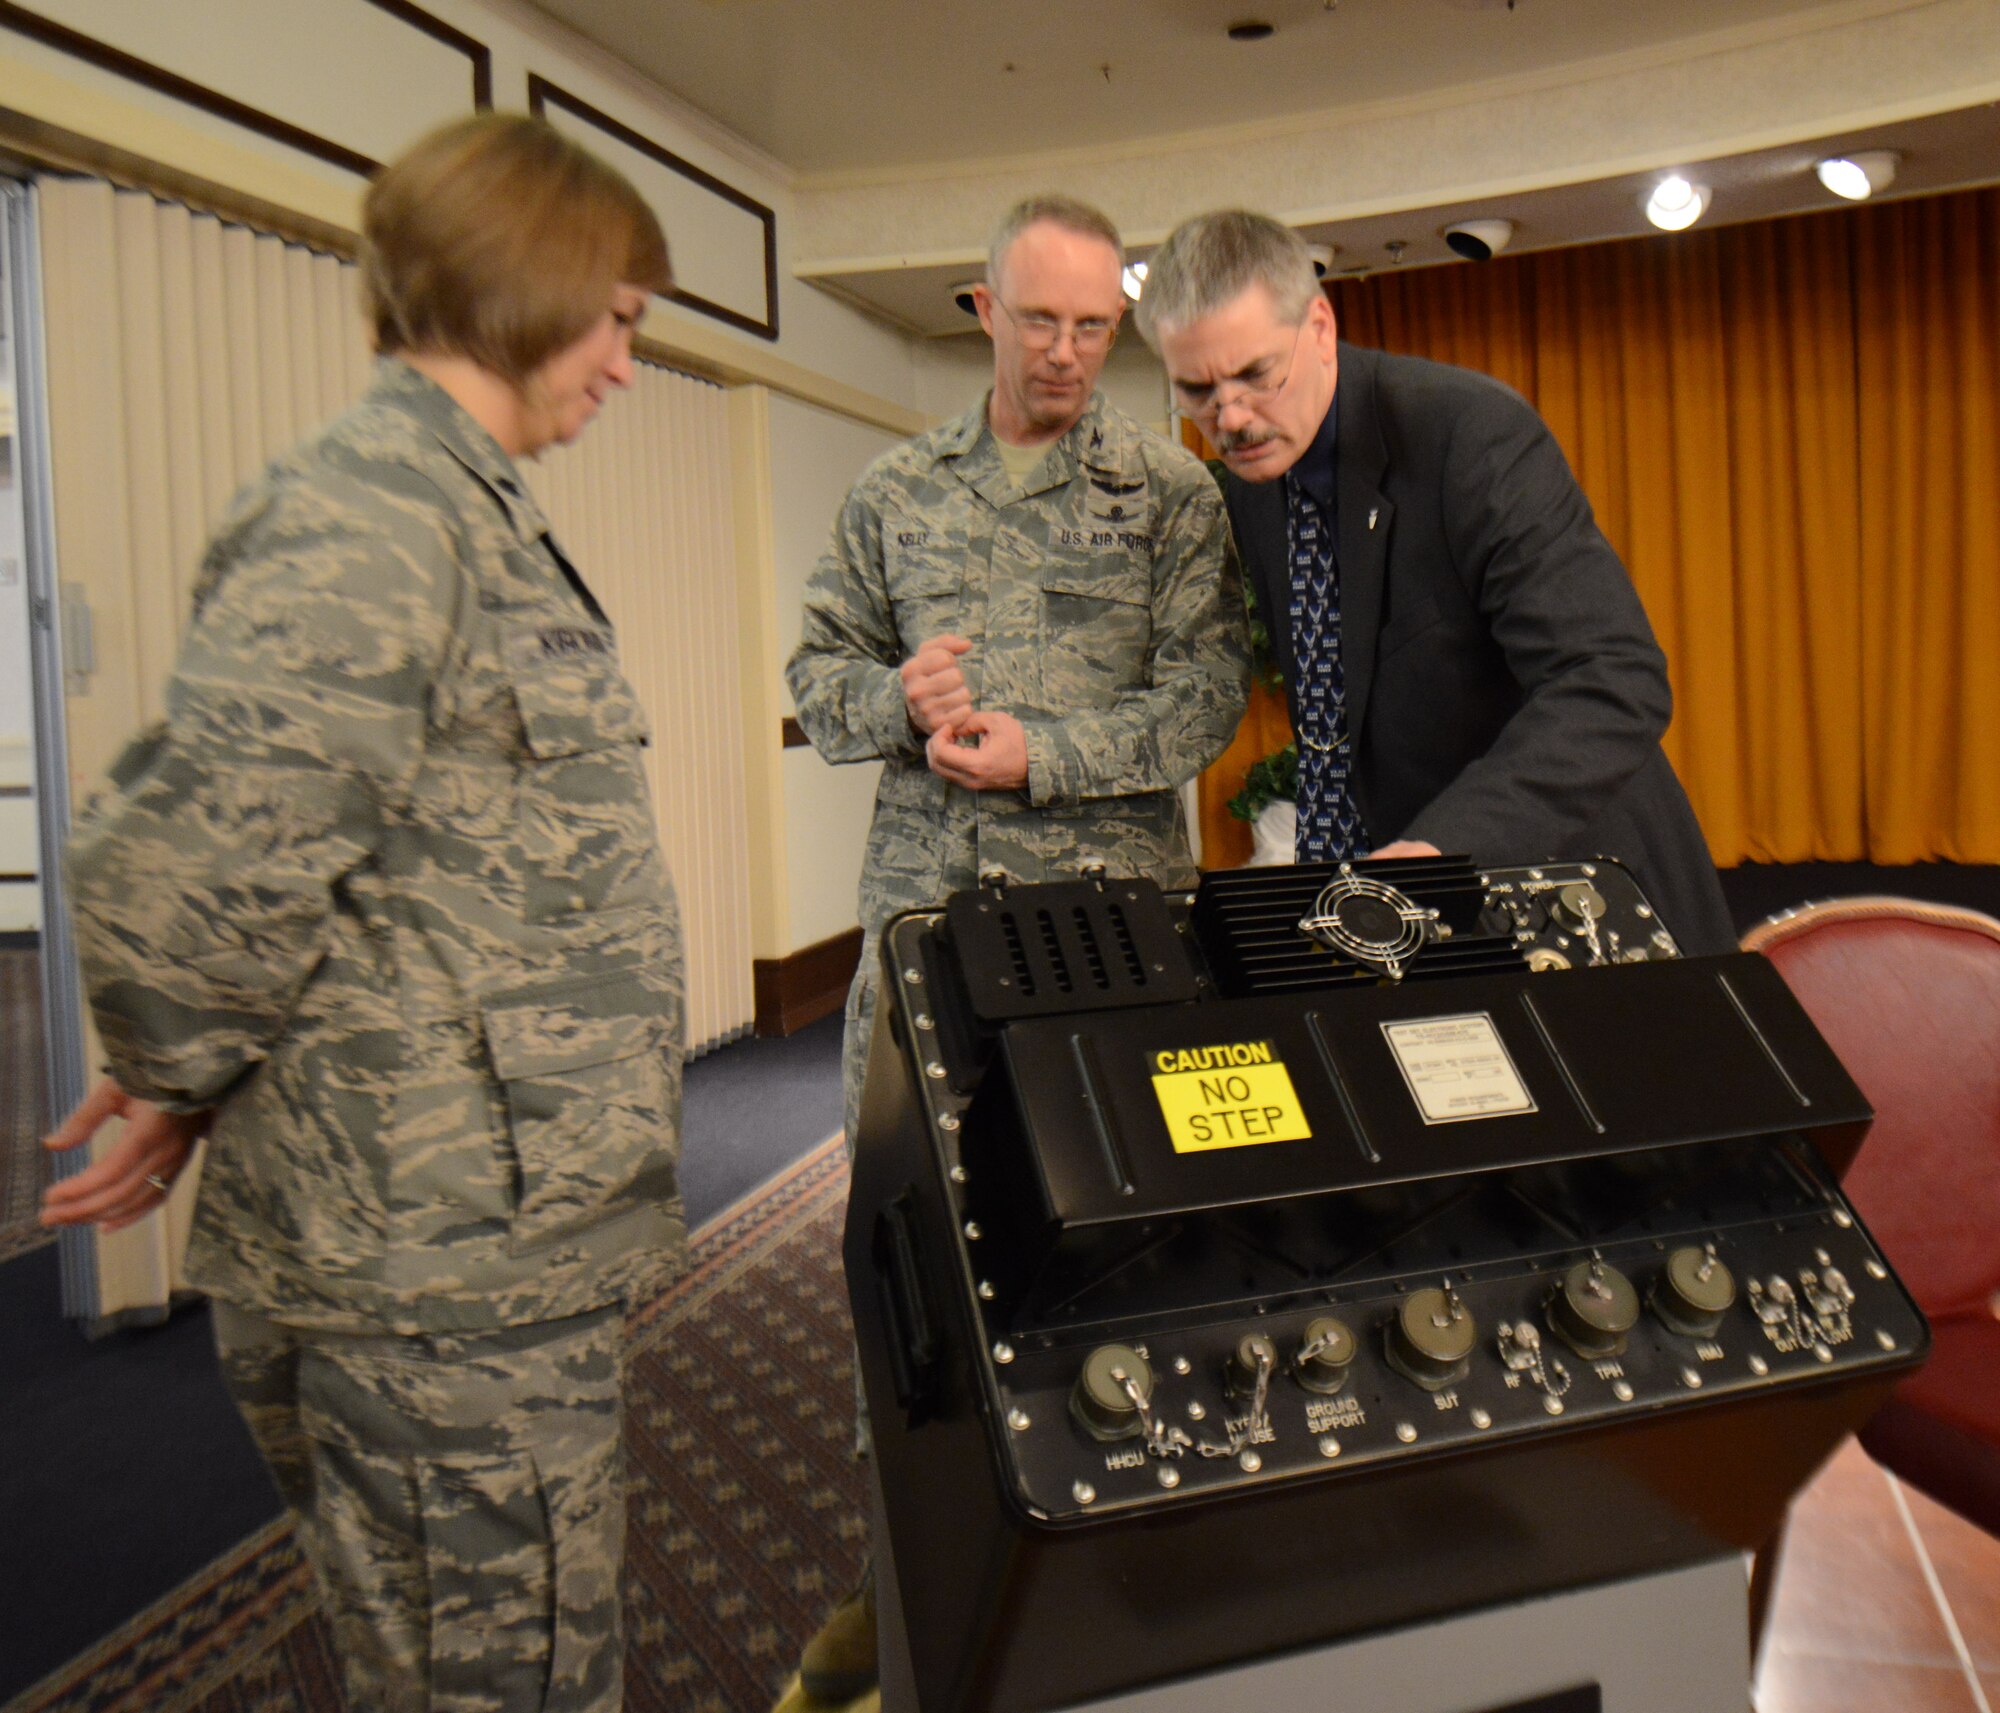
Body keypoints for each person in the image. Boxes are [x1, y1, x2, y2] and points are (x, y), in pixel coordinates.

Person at [40, 113, 683, 1713]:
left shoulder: (453, 505)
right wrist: (180, 1069)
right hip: (436, 1280)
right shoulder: (379, 513)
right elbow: (194, 867)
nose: (623, 362)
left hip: (466, 1253)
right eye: (620, 317)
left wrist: (198, 1073)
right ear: (537, 282)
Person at [783, 193, 1250, 1703]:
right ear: (981, 310)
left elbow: (1201, 709)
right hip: (926, 954)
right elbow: (814, 670)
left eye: (1092, 328)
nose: (1064, 352)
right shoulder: (892, 493)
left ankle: (1123, 1600)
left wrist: (1037, 752)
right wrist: (890, 704)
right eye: (1036, 321)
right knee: (912, 1280)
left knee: (1120, 1259)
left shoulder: (1170, 499)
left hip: (1107, 956)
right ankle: (908, 1596)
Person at [1134, 210, 1737, 955]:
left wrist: (1440, 848)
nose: (1230, 418)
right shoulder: (1255, 482)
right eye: (1196, 389)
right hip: (1413, 914)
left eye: (1256, 374)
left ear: (1320, 326)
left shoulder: (1466, 433)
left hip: (1577, 890)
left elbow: (1613, 678)